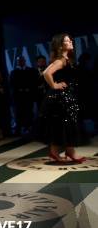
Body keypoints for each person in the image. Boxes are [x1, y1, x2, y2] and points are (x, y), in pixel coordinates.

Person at [38, 33, 86, 163]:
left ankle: (61, 151)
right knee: (66, 123)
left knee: (65, 124)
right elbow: (47, 73)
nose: (71, 41)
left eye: (70, 39)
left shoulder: (64, 59)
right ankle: (63, 152)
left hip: (66, 97)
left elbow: (45, 71)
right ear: (60, 45)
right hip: (62, 98)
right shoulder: (61, 61)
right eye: (67, 40)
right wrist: (54, 85)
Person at [10, 55, 37, 135]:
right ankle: (20, 128)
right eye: (19, 60)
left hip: (28, 95)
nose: (20, 62)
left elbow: (34, 83)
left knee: (29, 111)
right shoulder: (14, 72)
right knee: (19, 112)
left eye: (22, 60)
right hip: (18, 97)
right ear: (17, 62)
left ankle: (29, 127)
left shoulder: (31, 71)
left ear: (25, 61)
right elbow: (12, 85)